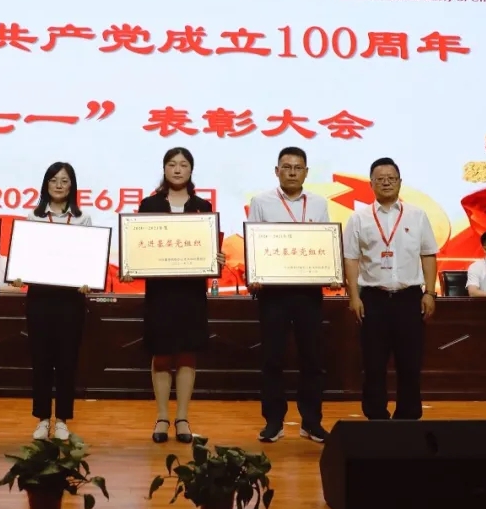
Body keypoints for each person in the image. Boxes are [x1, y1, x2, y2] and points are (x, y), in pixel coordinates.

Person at [122, 147, 225, 444]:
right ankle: (162, 416)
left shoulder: (202, 206)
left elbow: (208, 249)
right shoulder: (150, 204)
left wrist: (215, 259)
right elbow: (139, 245)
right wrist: (130, 264)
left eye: (183, 165)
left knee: (187, 353)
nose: (177, 169)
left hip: (191, 293)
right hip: (161, 293)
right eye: (172, 164)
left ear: (191, 170)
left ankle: (182, 417)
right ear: (164, 168)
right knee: (162, 353)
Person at [247, 147, 332, 444]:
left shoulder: (319, 203)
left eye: (298, 167)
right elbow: (253, 242)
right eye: (287, 167)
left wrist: (332, 271)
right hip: (274, 293)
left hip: (309, 292)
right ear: (277, 171)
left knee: (313, 359)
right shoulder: (261, 202)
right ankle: (274, 421)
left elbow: (325, 243)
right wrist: (254, 275)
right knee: (272, 358)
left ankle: (311, 421)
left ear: (306, 172)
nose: (292, 172)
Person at [343, 157, 437, 421]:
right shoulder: (359, 218)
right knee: (373, 364)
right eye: (380, 179)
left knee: (410, 362)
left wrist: (430, 292)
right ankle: (376, 417)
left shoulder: (417, 215)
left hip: (410, 298)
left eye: (391, 178)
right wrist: (354, 297)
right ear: (371, 184)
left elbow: (428, 254)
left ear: (400, 182)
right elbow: (351, 258)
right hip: (373, 299)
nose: (386, 183)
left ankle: (408, 416)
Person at [8, 162, 91, 441]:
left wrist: (88, 278)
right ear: (46, 184)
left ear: (72, 186)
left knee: (67, 361)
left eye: (64, 181)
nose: (59, 185)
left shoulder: (82, 219)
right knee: (41, 361)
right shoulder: (33, 218)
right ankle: (43, 419)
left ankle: (63, 419)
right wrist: (18, 273)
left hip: (70, 300)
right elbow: (25, 255)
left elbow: (87, 258)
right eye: (54, 180)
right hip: (40, 298)